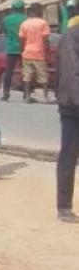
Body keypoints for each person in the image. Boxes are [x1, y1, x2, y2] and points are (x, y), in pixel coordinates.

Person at [54, 19, 79, 223]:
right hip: (73, 105)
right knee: (69, 155)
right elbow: (71, 73)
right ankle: (64, 206)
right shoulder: (72, 35)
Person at [20, 3, 51, 104]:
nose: (42, 12)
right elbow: (46, 39)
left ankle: (27, 97)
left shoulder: (24, 24)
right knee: (43, 77)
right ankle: (45, 97)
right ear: (37, 11)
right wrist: (48, 52)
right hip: (39, 53)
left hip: (27, 53)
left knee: (27, 77)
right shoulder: (43, 23)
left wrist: (22, 51)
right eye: (41, 10)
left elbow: (22, 40)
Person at [0, 0, 26, 100]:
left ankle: (6, 93)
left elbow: (5, 32)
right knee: (25, 71)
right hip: (23, 48)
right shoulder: (26, 19)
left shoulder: (6, 19)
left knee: (9, 71)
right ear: (23, 8)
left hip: (11, 48)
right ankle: (26, 94)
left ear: (12, 8)